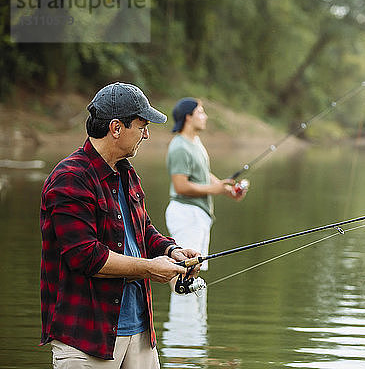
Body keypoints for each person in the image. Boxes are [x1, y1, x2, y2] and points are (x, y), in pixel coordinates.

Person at [40, 82, 201, 368]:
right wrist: (150, 268)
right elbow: (86, 257)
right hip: (86, 338)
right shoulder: (70, 178)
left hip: (140, 335)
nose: (147, 134)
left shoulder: (127, 173)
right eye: (141, 126)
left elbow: (143, 232)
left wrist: (172, 250)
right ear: (116, 128)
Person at [165, 97, 248, 272]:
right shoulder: (179, 146)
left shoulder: (195, 142)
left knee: (195, 271)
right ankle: (181, 300)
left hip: (198, 215)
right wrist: (214, 190)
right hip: (185, 214)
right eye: (201, 112)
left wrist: (227, 190)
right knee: (185, 271)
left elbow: (202, 174)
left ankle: (192, 300)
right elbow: (181, 186)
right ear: (188, 117)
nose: (205, 117)